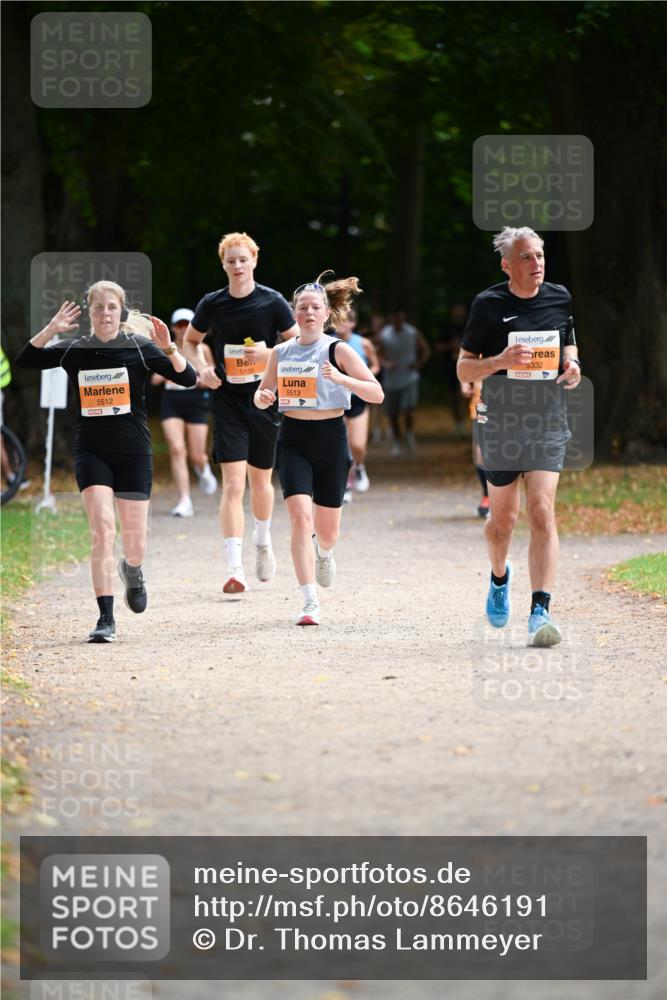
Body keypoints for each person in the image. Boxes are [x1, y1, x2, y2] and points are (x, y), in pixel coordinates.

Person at [15, 282, 197, 643]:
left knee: (134, 541)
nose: (105, 313)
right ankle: (105, 619)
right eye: (97, 307)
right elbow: (26, 361)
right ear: (90, 312)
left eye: (112, 307)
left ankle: (133, 568)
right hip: (91, 451)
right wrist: (51, 330)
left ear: (122, 311)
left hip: (133, 452)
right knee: (102, 531)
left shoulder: (141, 349)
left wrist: (169, 347)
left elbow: (188, 378)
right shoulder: (75, 350)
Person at [457, 226, 581, 647]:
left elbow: (569, 346)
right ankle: (498, 577)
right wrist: (499, 360)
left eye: (541, 255)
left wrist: (573, 366)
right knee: (502, 521)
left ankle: (540, 611)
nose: (537, 263)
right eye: (527, 257)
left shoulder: (560, 297)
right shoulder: (488, 305)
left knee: (542, 511)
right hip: (501, 425)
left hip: (547, 420)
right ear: (507, 264)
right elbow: (463, 369)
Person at [253, 274, 383, 626]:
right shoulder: (280, 352)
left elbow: (376, 393)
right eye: (302, 308)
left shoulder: (338, 350)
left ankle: (324, 552)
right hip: (293, 438)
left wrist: (342, 379)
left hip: (331, 439)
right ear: (294, 314)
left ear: (326, 313)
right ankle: (309, 601)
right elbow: (262, 394)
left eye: (315, 307)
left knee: (327, 532)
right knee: (299, 517)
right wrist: (263, 397)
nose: (308, 313)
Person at [182, 232, 298, 593]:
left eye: (242, 260)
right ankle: (234, 569)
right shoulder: (212, 304)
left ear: (254, 261)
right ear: (223, 264)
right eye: (230, 261)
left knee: (260, 482)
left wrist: (267, 358)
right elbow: (190, 341)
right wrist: (202, 369)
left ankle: (262, 542)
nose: (237, 266)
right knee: (233, 484)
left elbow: (297, 342)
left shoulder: (273, 301)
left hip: (264, 397)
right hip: (227, 401)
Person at [151, 307, 217, 517]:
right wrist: (168, 375)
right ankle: (184, 500)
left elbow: (214, 379)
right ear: (173, 328)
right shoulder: (166, 349)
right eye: (179, 325)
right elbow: (154, 380)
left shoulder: (203, 349)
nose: (183, 328)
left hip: (197, 401)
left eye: (187, 324)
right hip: (172, 401)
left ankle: (203, 469)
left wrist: (195, 380)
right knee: (178, 450)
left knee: (197, 455)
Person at [333, 307, 380, 502]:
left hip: (358, 398)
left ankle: (359, 466)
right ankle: (346, 484)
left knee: (357, 445)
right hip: (336, 398)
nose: (342, 325)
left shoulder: (363, 343)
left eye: (346, 321)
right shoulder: (328, 343)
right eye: (338, 321)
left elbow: (376, 364)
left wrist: (366, 378)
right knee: (341, 443)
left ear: (353, 323)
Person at [377, 308, 430, 455]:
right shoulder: (384, 334)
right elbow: (378, 353)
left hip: (409, 378)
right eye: (394, 317)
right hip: (391, 380)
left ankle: (409, 435)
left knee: (408, 410)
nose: (397, 320)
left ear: (403, 317)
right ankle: (397, 442)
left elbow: (425, 349)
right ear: (391, 318)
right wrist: (386, 363)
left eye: (399, 317)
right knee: (393, 414)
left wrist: (418, 363)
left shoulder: (412, 332)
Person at [435, 302, 469, 433]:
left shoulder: (469, 326)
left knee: (464, 395)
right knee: (453, 397)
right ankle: (458, 423)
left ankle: (465, 422)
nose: (459, 313)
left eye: (461, 310)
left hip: (467, 365)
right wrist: (451, 345)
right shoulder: (446, 328)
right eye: (456, 310)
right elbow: (438, 346)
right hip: (450, 366)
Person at [459, 378, 489, 518]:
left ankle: (498, 500)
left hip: (506, 408)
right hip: (480, 408)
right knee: (480, 456)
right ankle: (487, 495)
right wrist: (464, 383)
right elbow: (464, 365)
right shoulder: (477, 354)